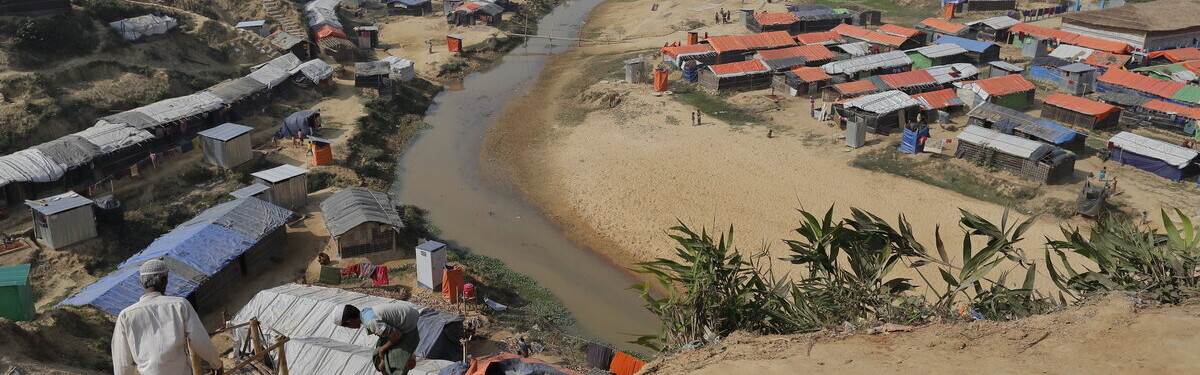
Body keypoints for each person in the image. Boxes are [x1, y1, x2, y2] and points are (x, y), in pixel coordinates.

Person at [112, 260, 223, 375]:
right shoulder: (180, 305)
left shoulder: (125, 316)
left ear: (141, 282)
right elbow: (200, 340)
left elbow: (122, 363)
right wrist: (217, 364)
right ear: (164, 280)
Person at [331, 302, 421, 375]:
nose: (349, 328)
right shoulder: (364, 312)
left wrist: (382, 349)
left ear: (348, 322)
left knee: (394, 365)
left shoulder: (371, 322)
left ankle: (408, 358)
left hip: (408, 328)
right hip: (402, 324)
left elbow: (397, 335)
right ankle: (396, 360)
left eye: (346, 326)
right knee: (378, 358)